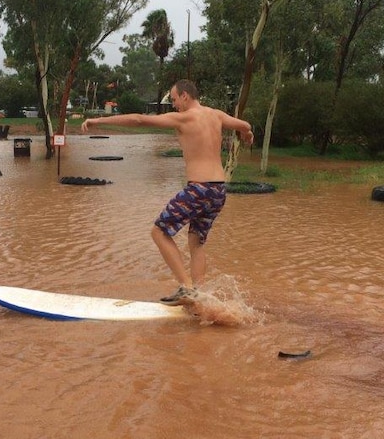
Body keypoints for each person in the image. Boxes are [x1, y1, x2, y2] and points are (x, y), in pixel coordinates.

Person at [81, 79, 254, 305]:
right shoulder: (217, 115)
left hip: (199, 189)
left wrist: (97, 120)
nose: (173, 105)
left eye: (174, 99)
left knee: (159, 232)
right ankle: (199, 296)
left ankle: (186, 287)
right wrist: (248, 136)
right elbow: (245, 125)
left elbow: (139, 120)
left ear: (185, 96)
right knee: (196, 242)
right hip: (218, 191)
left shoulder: (184, 118)